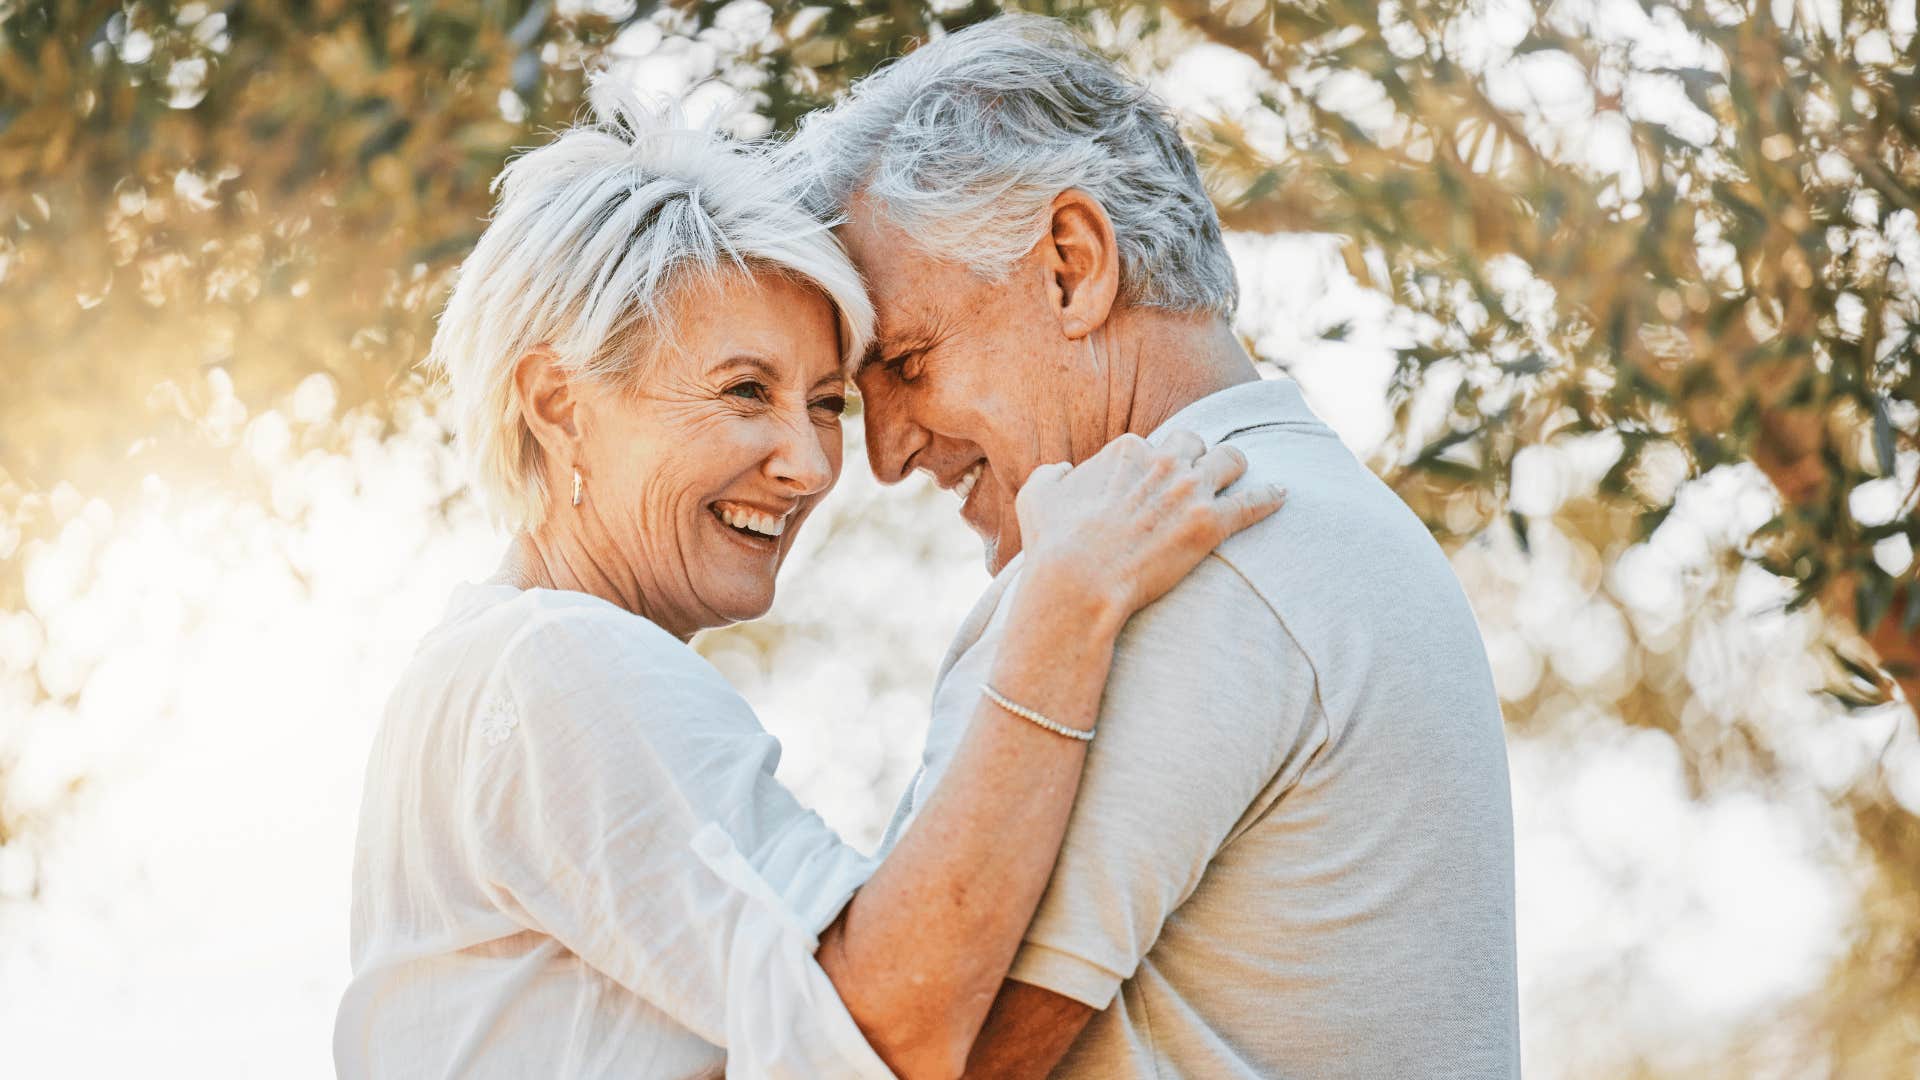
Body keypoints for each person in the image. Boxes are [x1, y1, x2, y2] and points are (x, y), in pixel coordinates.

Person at [332, 75, 1283, 1079]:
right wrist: (1066, 600)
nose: (814, 464)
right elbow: (883, 1029)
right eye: (746, 390)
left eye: (828, 402)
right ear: (559, 404)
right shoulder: (555, 665)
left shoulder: (488, 669)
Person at [781, 14, 1520, 1078]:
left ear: (1073, 267)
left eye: (906, 362)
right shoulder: (1323, 527)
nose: (887, 455)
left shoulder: (1169, 567)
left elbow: (897, 1051)